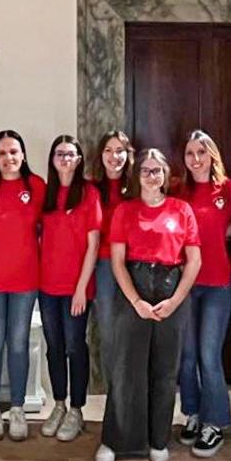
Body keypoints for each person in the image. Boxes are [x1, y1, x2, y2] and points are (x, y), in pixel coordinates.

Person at [96, 148, 201, 461]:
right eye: (146, 170)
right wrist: (136, 301)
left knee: (165, 370)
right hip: (134, 289)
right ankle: (116, 441)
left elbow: (194, 260)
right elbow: (117, 262)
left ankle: (158, 439)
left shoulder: (182, 210)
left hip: (171, 289)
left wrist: (174, 301)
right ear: (136, 175)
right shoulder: (125, 211)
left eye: (157, 170)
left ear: (166, 175)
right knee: (126, 368)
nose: (152, 176)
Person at [0, 129, 45, 441]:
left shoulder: (37, 187)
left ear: (24, 155)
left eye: (14, 152)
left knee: (18, 343)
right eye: (2, 153)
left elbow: (46, 231)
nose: (9, 158)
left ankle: (16, 408)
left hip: (25, 280)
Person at [174, 130, 231, 458]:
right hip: (184, 285)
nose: (195, 158)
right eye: (189, 153)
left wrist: (211, 238)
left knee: (208, 355)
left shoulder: (228, 189)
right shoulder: (178, 189)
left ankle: (215, 422)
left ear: (212, 154)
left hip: (216, 283)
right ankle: (193, 413)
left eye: (201, 152)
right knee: (186, 357)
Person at [38, 135, 101, 442]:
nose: (65, 158)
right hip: (47, 286)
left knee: (76, 347)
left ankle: (77, 409)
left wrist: (80, 289)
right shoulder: (45, 194)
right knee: (54, 348)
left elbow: (93, 245)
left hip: (77, 288)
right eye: (59, 153)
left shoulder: (88, 193)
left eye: (71, 154)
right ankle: (59, 404)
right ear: (52, 159)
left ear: (79, 160)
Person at [88, 130, 134, 390]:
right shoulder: (91, 189)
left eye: (120, 151)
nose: (114, 156)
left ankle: (134, 396)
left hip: (134, 265)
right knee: (108, 334)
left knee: (133, 333)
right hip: (103, 267)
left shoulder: (137, 187)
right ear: (101, 155)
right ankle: (115, 397)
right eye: (108, 150)